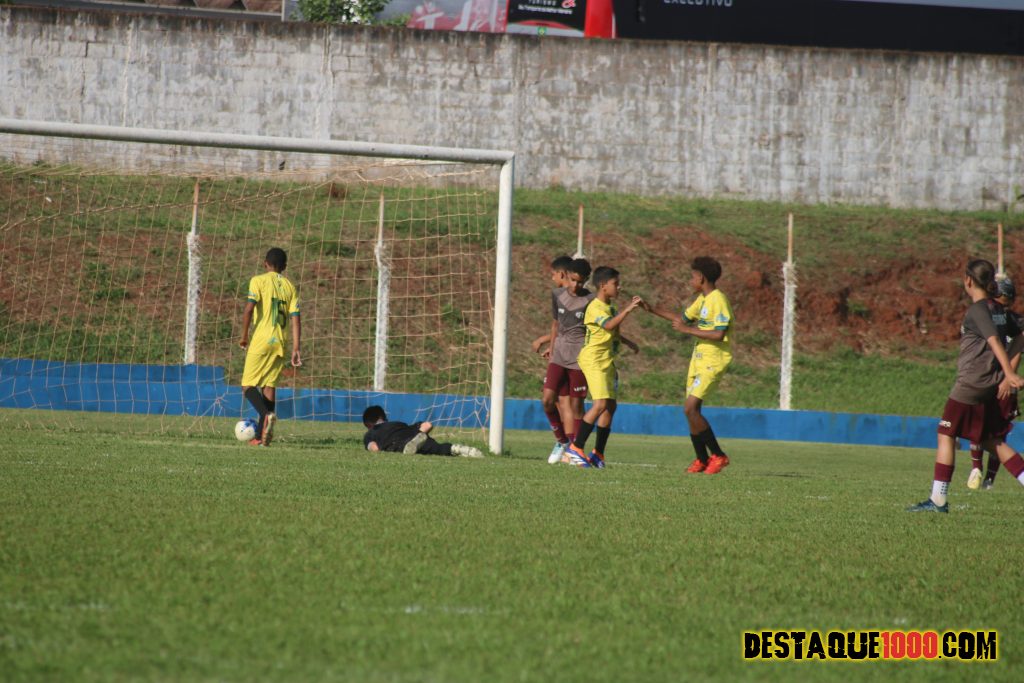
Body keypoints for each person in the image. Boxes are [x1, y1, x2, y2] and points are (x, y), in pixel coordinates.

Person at [908, 260, 1024, 513]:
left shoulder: (979, 310)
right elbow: (1020, 333)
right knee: (992, 441)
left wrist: (1009, 373)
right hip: (989, 385)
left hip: (971, 384)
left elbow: (994, 341)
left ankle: (938, 500)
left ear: (968, 280)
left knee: (946, 434)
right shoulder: (997, 309)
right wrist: (1007, 373)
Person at [644, 256, 734, 475]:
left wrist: (688, 331)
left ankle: (719, 455)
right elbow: (681, 319)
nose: (690, 280)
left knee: (690, 408)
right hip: (698, 360)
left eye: (692, 276)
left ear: (701, 277)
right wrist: (650, 309)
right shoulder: (702, 299)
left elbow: (719, 333)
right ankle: (701, 459)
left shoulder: (718, 300)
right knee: (692, 411)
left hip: (713, 360)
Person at [565, 266, 643, 468]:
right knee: (599, 404)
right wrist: (628, 309)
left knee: (610, 406)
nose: (619, 287)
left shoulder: (611, 308)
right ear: (603, 285)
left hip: (607, 360)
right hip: (594, 360)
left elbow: (612, 331)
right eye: (616, 283)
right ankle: (575, 448)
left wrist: (628, 342)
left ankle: (598, 453)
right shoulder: (595, 307)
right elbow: (608, 325)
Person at [531, 256, 595, 464]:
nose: (576, 286)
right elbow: (555, 326)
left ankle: (576, 449)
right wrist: (551, 349)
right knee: (547, 400)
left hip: (578, 359)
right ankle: (561, 441)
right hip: (558, 357)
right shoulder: (557, 295)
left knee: (577, 407)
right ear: (567, 276)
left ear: (586, 280)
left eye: (580, 282)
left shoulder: (591, 300)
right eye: (573, 280)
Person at [239, 247, 301, 446]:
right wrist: (296, 348)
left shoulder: (258, 281)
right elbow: (296, 318)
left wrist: (244, 335)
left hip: (262, 339)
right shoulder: (290, 287)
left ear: (265, 263)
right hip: (280, 343)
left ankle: (266, 415)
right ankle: (261, 436)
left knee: (247, 385)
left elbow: (249, 310)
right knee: (269, 386)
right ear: (285, 267)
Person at [967, 275, 1023, 490]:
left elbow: (1017, 349)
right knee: (978, 427)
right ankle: (976, 468)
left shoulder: (1012, 320)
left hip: (1003, 384)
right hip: (985, 380)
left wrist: (1008, 379)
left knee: (997, 433)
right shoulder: (986, 316)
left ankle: (988, 479)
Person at [361, 406, 484, 458]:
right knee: (438, 448)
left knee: (402, 446)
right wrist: (419, 433)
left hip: (396, 443)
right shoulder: (399, 423)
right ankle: (455, 448)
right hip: (412, 433)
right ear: (384, 417)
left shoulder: (371, 433)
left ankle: (412, 444)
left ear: (368, 425)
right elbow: (428, 425)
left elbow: (374, 448)